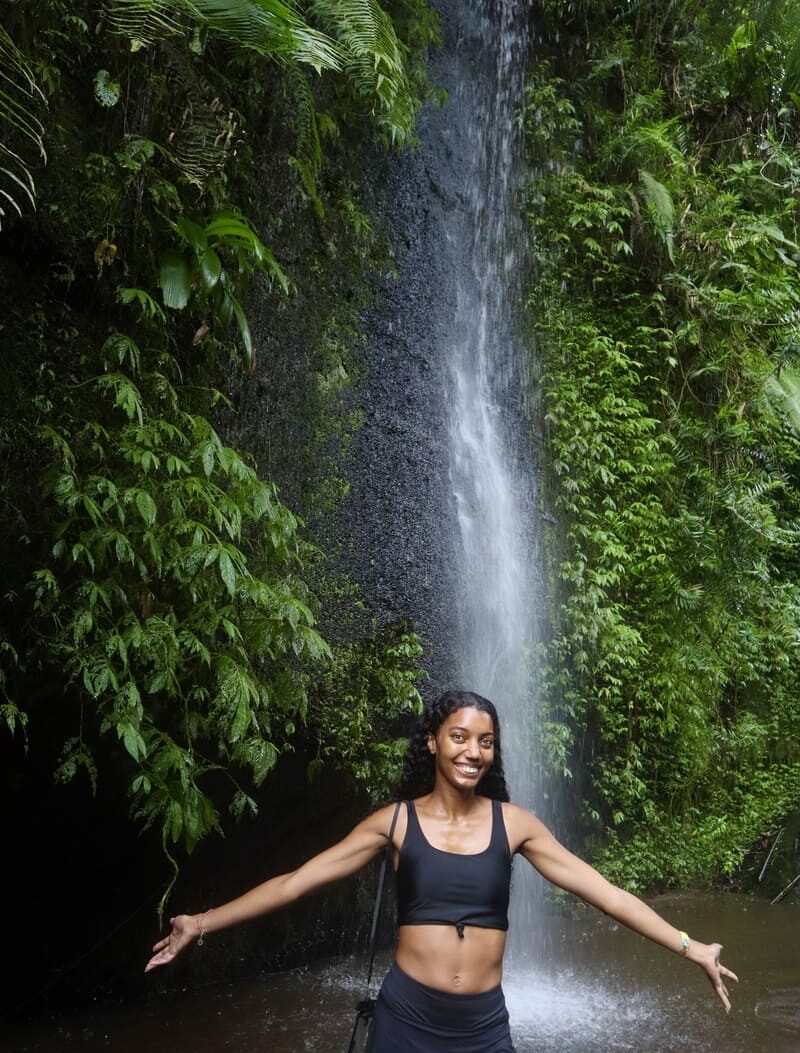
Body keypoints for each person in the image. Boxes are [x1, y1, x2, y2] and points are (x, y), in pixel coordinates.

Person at [145, 689, 738, 1051]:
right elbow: (295, 882)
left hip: (482, 1025)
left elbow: (606, 894)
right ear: (432, 742)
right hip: (407, 1017)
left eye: (485, 741)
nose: (472, 752)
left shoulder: (518, 825)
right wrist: (202, 921)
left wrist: (692, 947)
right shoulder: (394, 823)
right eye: (459, 737)